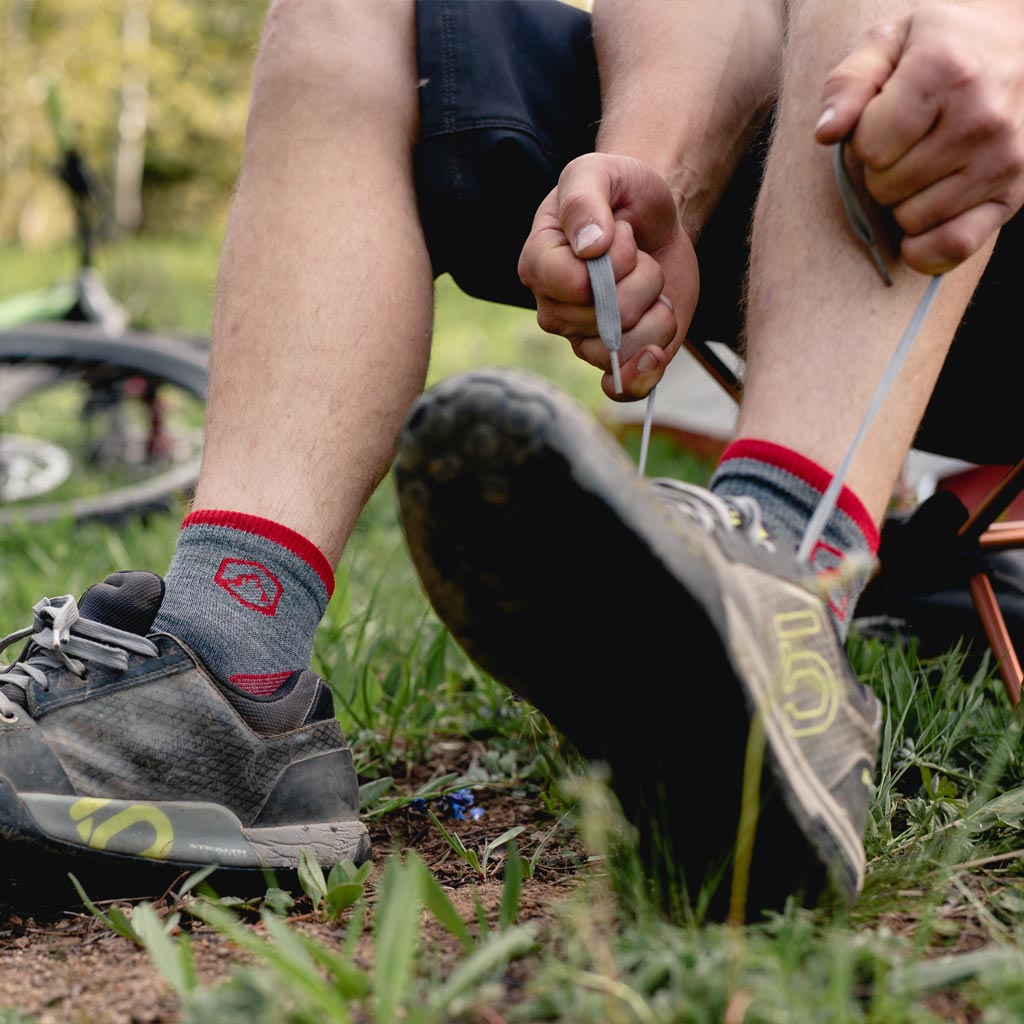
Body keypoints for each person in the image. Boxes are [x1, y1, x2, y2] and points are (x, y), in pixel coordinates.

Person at [2, 0, 1023, 911]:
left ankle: (787, 594)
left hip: (967, 160)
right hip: (834, 187)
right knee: (357, 15)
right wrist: (649, 168)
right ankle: (225, 666)